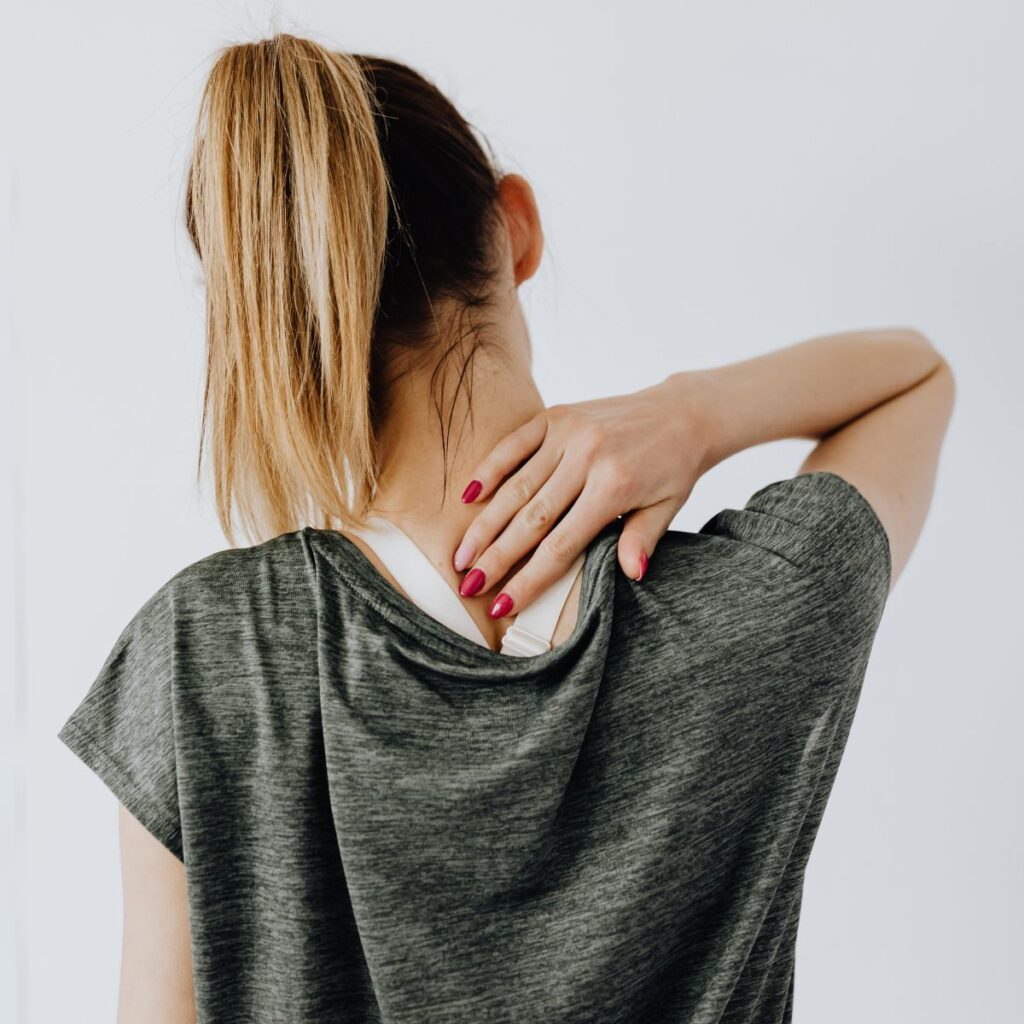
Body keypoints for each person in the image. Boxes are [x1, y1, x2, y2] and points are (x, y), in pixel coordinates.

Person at [57, 32, 955, 1024]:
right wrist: (694, 412)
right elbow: (916, 375)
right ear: (515, 228)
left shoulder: (207, 650)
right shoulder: (758, 611)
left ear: (284, 307)